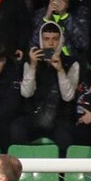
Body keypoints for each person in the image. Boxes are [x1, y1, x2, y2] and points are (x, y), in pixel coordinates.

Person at [20, 22, 80, 155]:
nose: (51, 43)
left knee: (65, 136)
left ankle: (61, 175)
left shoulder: (72, 63)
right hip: (34, 116)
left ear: (61, 40)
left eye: (55, 39)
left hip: (60, 117)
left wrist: (60, 70)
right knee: (16, 129)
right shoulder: (30, 62)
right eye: (46, 39)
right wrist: (33, 66)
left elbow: (68, 96)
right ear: (41, 40)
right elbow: (26, 93)